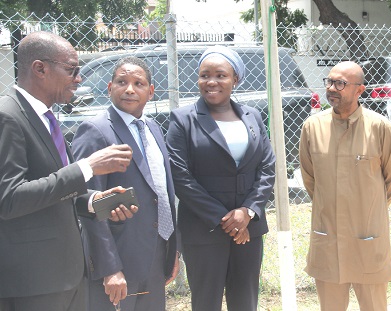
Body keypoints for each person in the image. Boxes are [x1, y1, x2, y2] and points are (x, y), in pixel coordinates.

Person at [0, 31, 137, 311]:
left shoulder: (46, 116)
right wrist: (87, 167)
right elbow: (10, 198)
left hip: (67, 276)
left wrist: (92, 201)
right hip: (34, 283)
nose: (78, 78)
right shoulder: (8, 116)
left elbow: (52, 191)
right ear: (40, 68)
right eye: (72, 69)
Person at [166, 45, 276, 311]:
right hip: (204, 228)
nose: (211, 82)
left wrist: (248, 212)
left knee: (245, 300)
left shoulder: (253, 116)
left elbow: (267, 168)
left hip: (248, 228)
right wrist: (225, 219)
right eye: (205, 75)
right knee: (206, 302)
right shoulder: (183, 120)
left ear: (235, 79)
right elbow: (181, 177)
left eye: (220, 75)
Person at [72, 56, 179, 310]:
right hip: (118, 260)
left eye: (138, 83)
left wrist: (172, 250)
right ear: (110, 88)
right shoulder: (96, 131)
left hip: (154, 252)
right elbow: (86, 203)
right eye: (122, 82)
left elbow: (162, 193)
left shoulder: (153, 128)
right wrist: (110, 269)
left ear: (150, 92)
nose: (130, 89)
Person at [299, 61, 391, 311]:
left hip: (367, 237)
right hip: (328, 236)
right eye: (329, 82)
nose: (332, 88)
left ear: (360, 90)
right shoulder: (312, 127)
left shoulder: (379, 127)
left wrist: (368, 207)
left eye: (341, 83)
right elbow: (310, 179)